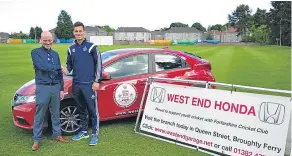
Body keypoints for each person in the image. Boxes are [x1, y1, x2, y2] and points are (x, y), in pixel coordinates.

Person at [61, 21, 102, 146]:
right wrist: (64, 69)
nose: (78, 33)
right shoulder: (71, 49)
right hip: (76, 84)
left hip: (89, 85)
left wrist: (96, 81)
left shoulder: (92, 46)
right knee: (81, 109)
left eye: (80, 31)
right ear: (73, 32)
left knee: (92, 110)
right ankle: (84, 131)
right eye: (76, 31)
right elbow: (69, 66)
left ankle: (95, 134)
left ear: (84, 32)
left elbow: (99, 64)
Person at [30, 31, 69, 151]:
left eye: (49, 40)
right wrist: (60, 67)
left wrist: (61, 89)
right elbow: (42, 66)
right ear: (41, 40)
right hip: (43, 87)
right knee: (40, 113)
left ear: (52, 40)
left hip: (55, 86)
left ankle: (57, 135)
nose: (47, 42)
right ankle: (37, 140)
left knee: (55, 112)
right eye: (45, 40)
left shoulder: (55, 54)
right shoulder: (35, 52)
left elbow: (59, 74)